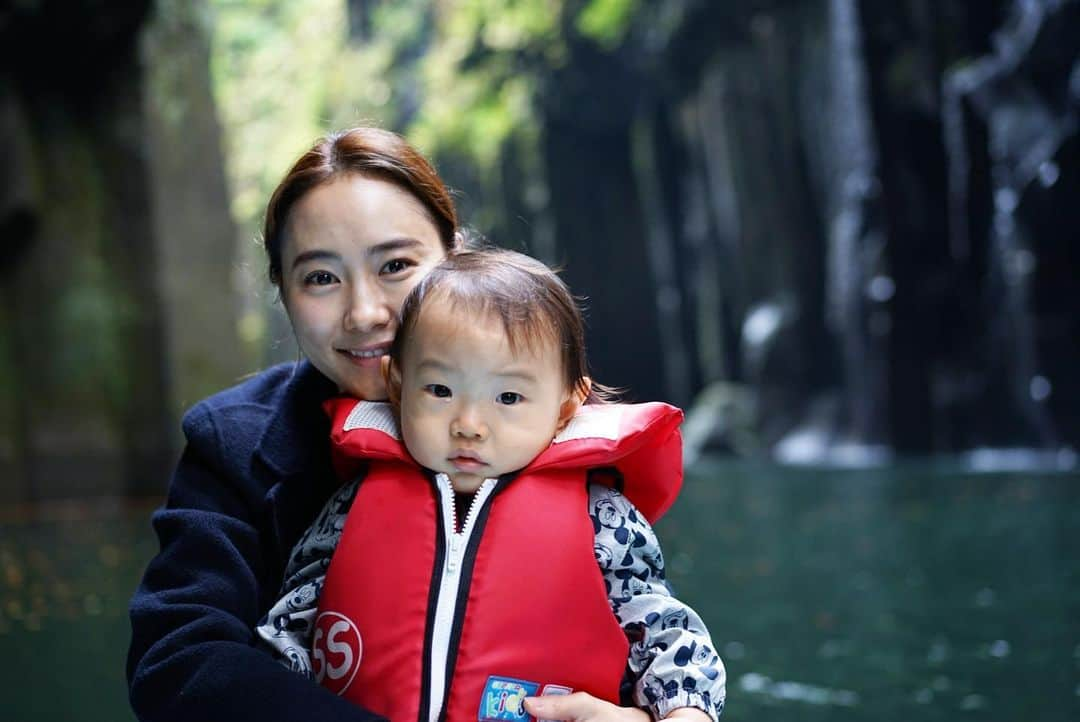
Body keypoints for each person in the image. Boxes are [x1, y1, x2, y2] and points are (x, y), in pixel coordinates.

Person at [127, 126, 685, 722]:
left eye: (396, 264)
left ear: (456, 255)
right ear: (283, 294)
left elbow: (657, 631)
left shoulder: (567, 444)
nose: (365, 313)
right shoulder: (231, 443)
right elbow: (177, 660)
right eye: (320, 277)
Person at [256, 249, 726, 722]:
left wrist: (679, 715)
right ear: (397, 386)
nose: (469, 425)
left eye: (508, 397)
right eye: (439, 391)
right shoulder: (352, 504)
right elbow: (290, 624)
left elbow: (667, 634)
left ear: (566, 407)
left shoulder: (602, 516)